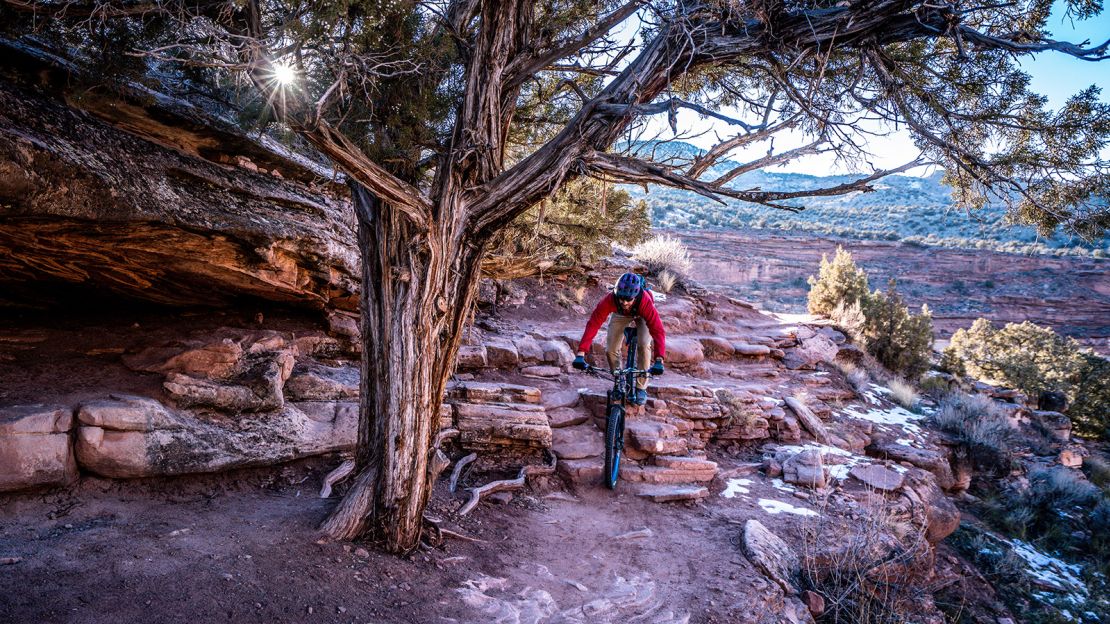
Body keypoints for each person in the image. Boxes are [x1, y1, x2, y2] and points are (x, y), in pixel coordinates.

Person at [572, 272, 665, 405]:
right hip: (620, 314)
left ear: (635, 296)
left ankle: (641, 388)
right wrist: (581, 353)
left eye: (629, 299)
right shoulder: (610, 300)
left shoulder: (645, 301)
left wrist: (659, 359)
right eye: (622, 298)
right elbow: (593, 324)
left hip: (642, 314)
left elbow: (658, 331)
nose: (625, 302)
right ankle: (619, 378)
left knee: (644, 344)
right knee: (611, 348)